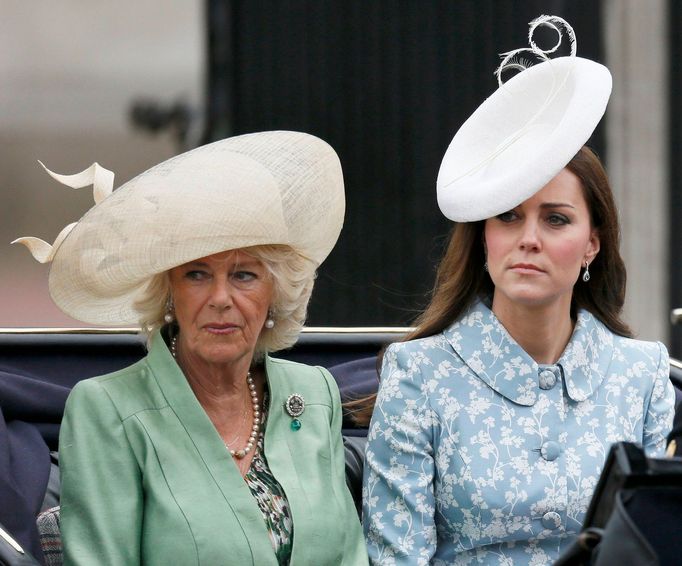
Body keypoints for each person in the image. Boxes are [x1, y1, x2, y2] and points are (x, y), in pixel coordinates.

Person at [361, 16, 675, 566]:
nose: (528, 239)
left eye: (555, 220)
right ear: (485, 235)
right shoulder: (418, 375)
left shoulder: (642, 374)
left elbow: (652, 545)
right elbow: (395, 558)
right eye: (508, 217)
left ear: (592, 245)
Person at [14, 131, 368, 565]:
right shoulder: (107, 409)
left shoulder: (314, 393)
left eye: (244, 275)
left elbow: (349, 555)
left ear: (275, 292)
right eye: (197, 275)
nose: (220, 298)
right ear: (169, 292)